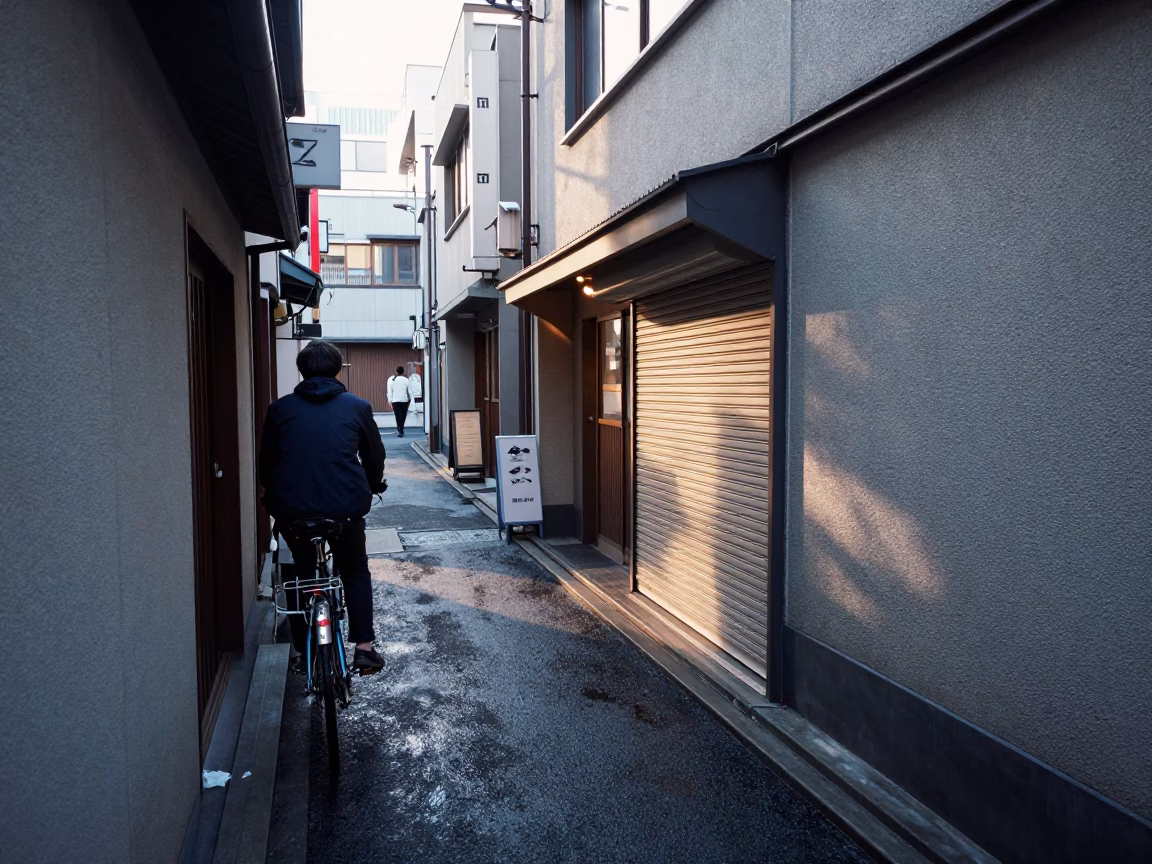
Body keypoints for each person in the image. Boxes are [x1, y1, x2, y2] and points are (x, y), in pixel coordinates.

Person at [259, 340, 387, 673]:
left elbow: (266, 463)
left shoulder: (279, 409)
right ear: (336, 370)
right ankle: (363, 647)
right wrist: (375, 485)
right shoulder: (357, 407)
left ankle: (304, 650)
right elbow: (374, 456)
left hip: (293, 510)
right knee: (354, 570)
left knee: (301, 575)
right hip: (345, 507)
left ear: (301, 371)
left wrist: (272, 496)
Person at [386, 365, 415, 438]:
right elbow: (410, 391)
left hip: (395, 400)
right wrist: (411, 399)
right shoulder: (406, 380)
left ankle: (400, 429)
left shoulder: (392, 379)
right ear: (403, 372)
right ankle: (400, 429)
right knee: (403, 415)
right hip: (404, 400)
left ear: (397, 371)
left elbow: (389, 391)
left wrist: (390, 400)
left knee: (398, 416)